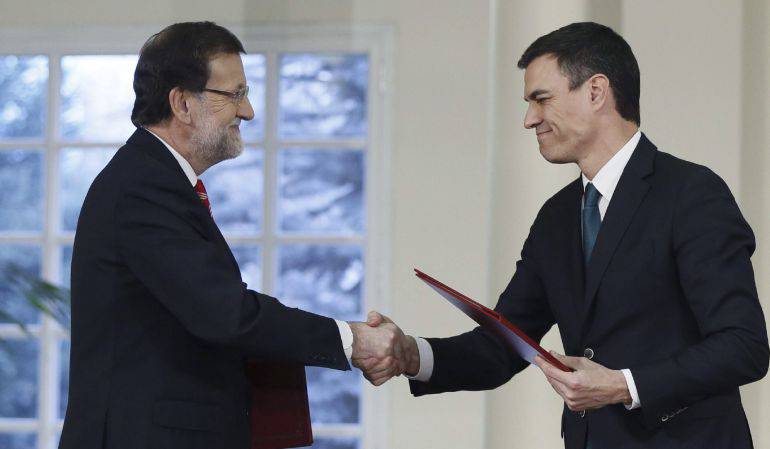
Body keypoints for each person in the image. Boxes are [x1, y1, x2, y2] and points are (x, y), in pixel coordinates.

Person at [363, 22, 769, 449]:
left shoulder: (691, 193)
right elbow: (503, 347)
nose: (529, 120)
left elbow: (743, 346)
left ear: (596, 92)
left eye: (541, 99)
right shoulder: (556, 217)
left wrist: (623, 385)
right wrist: (410, 354)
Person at [59, 21, 404, 449]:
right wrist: (352, 340)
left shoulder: (154, 179)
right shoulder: (143, 187)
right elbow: (225, 315)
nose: (248, 111)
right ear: (182, 103)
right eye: (234, 94)